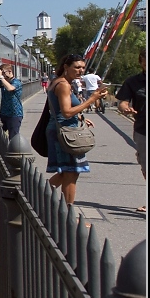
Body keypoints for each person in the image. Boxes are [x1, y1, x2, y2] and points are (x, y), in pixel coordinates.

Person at [46, 54, 106, 205]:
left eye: (83, 67)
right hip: (66, 133)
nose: (81, 71)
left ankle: (36, 194)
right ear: (66, 67)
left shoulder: (59, 82)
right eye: (77, 67)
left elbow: (61, 109)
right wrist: (92, 99)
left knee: (67, 172)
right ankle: (68, 215)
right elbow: (66, 112)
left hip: (63, 129)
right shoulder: (64, 85)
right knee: (71, 172)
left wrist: (80, 117)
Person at [115, 47, 146, 212]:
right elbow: (122, 102)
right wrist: (125, 108)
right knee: (146, 166)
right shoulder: (133, 82)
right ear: (141, 62)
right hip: (143, 130)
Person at [0, 63, 23, 136]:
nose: (2, 74)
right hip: (3, 113)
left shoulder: (16, 82)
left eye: (4, 72)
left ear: (10, 71)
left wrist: (1, 77)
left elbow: (10, 88)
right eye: (1, 73)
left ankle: (11, 148)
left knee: (13, 138)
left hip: (15, 114)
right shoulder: (3, 82)